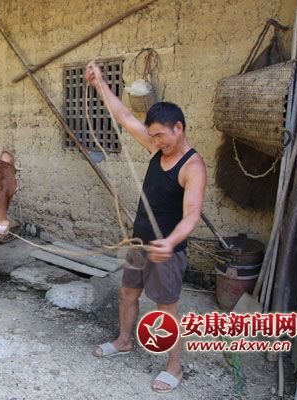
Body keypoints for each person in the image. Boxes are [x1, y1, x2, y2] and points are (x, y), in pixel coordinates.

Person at [84, 61, 207, 393]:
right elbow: (125, 117)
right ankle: (124, 341)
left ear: (178, 128)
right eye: (152, 136)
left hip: (167, 250)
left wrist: (171, 242)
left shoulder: (192, 166)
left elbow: (192, 214)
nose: (156, 142)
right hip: (139, 242)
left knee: (166, 308)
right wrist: (100, 84)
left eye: (161, 136)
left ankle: (174, 367)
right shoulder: (157, 148)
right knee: (127, 293)